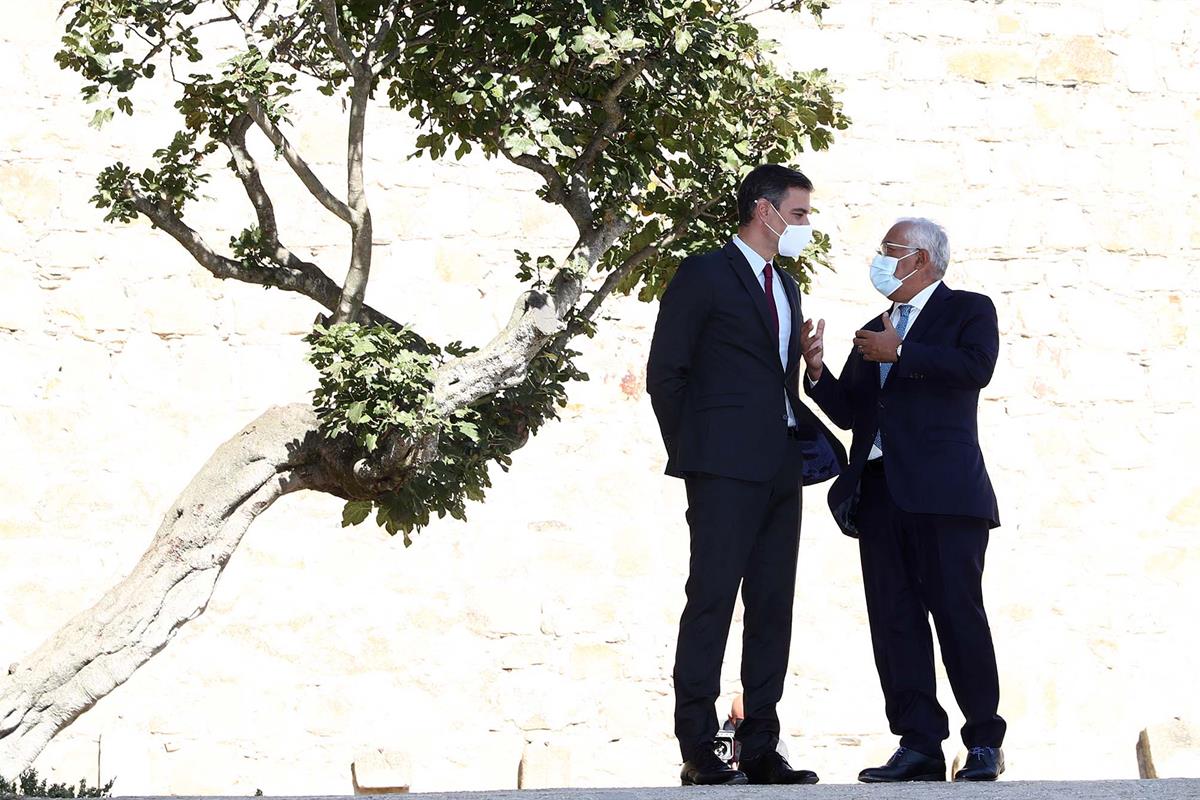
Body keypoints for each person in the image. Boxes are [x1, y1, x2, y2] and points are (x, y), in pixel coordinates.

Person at [646, 164, 846, 786]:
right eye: (801, 213)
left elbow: (776, 382)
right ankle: (699, 747)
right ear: (765, 211)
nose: (806, 225)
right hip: (722, 470)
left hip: (781, 467)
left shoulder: (787, 288)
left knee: (772, 607)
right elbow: (665, 375)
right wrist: (698, 453)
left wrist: (812, 366)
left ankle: (760, 744)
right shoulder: (703, 273)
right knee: (709, 601)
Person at [800, 217, 1007, 782]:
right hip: (880, 493)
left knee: (957, 614)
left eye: (888, 251)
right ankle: (918, 744)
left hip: (946, 494)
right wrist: (815, 372)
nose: (880, 260)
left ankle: (984, 739)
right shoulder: (873, 327)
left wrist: (903, 351)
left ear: (920, 259)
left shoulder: (969, 308)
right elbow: (849, 413)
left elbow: (975, 368)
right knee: (894, 622)